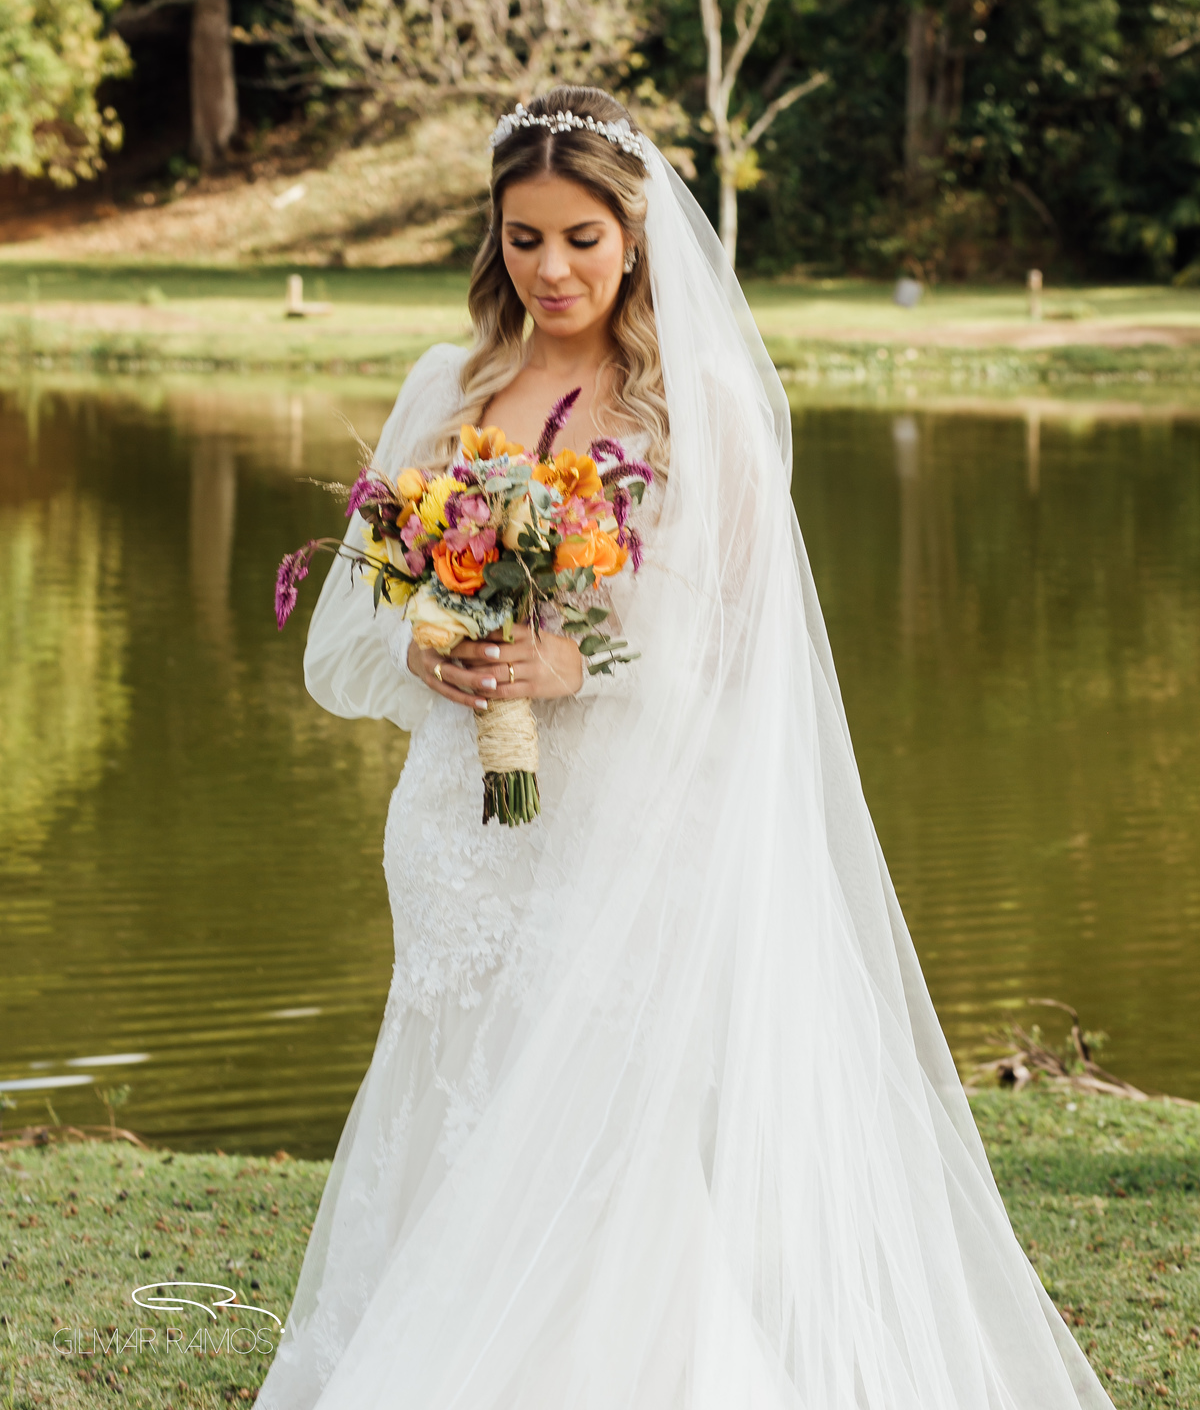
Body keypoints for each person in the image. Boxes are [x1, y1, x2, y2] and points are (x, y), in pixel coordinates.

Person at [257, 86, 1112, 1410]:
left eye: (582, 238)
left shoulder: (696, 405)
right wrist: (433, 650)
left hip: (621, 824)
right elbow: (353, 634)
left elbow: (743, 652)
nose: (551, 269)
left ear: (638, 235)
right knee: (453, 1089)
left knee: (596, 1114)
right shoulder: (449, 385)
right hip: (454, 827)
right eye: (524, 236)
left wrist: (575, 662)